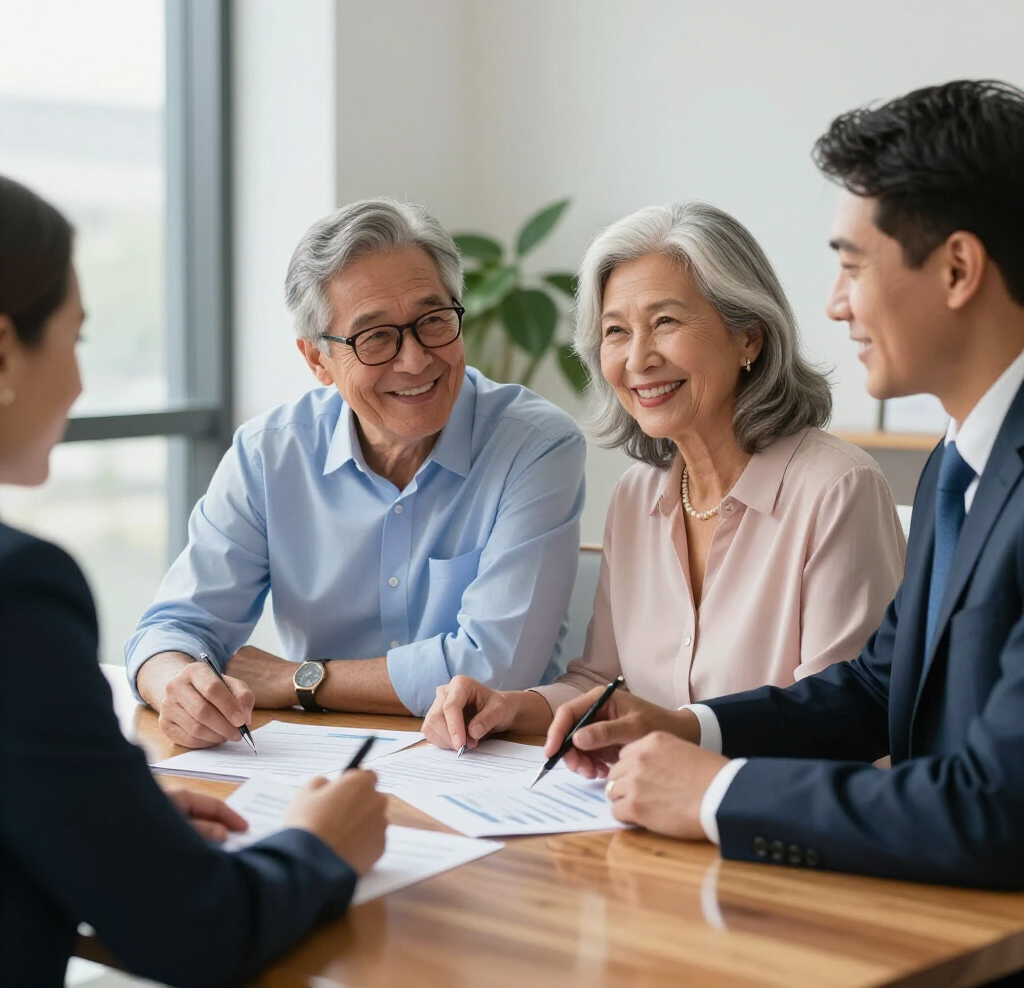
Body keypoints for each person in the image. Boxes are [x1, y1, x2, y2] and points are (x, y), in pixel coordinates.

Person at [548, 80, 1024, 901]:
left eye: (852, 266)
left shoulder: (898, 476)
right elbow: (876, 689)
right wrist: (687, 727)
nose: (836, 305)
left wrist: (714, 792)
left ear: (956, 269)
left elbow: (999, 808)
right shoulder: (961, 464)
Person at [0, 176, 388, 987]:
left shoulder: (528, 442)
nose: (76, 384)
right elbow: (194, 931)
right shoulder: (17, 592)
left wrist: (103, 824)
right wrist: (318, 846)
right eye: (75, 341)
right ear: (6, 354)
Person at [423, 201, 905, 752]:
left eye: (665, 322)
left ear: (748, 335)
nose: (638, 358)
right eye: (616, 331)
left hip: (783, 820)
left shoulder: (838, 489)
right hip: (651, 813)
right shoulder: (637, 495)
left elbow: (840, 721)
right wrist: (511, 706)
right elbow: (599, 684)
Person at [127, 198, 585, 749]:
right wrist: (175, 684)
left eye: (434, 321)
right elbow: (172, 628)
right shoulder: (268, 455)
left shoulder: (535, 445)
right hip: (315, 764)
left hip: (491, 763)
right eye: (375, 337)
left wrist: (298, 679)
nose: (415, 360)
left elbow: (495, 669)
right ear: (317, 359)